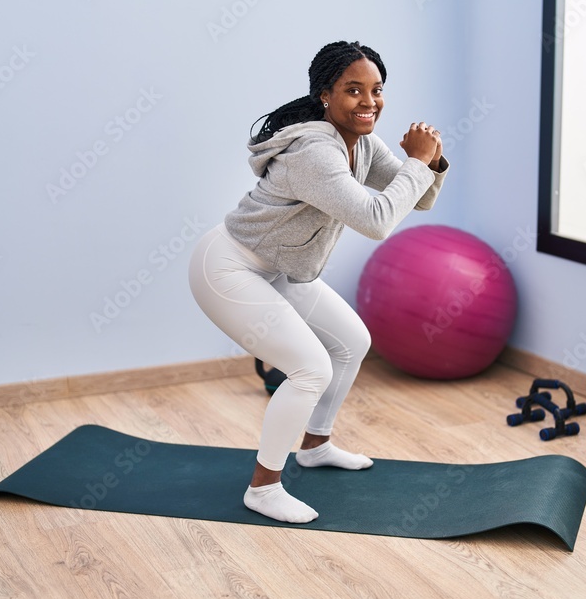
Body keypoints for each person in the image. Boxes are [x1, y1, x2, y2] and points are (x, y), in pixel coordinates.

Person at [188, 40, 449, 523]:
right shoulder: (313, 151)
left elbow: (418, 199)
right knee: (311, 369)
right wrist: (416, 163)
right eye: (354, 90)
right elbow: (376, 220)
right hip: (229, 266)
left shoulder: (362, 143)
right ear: (325, 95)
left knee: (352, 342)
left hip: (282, 269)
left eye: (377, 90)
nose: (369, 101)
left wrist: (431, 162)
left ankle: (315, 445)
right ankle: (263, 488)